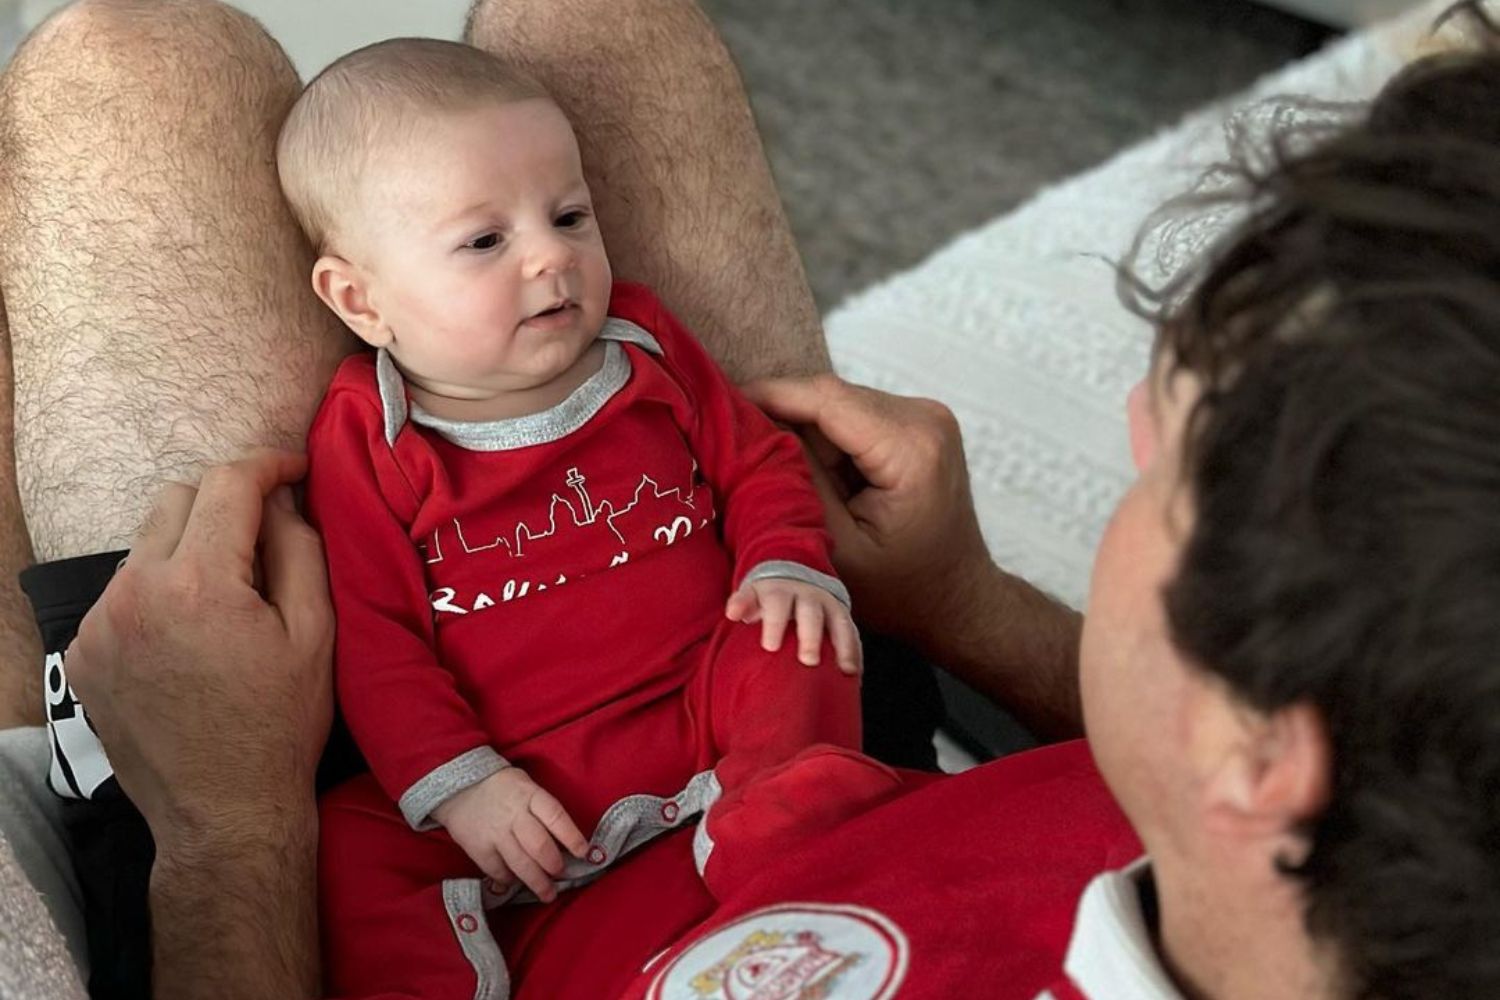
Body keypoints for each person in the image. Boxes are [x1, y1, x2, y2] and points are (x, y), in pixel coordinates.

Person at [2, 1, 1496, 999]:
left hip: (353, 847)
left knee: (119, 65)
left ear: (1267, 749)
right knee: (590, 20)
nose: (1124, 425)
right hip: (828, 729)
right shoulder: (1392, 840)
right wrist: (963, 603)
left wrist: (226, 838)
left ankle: (40, 743)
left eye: (1174, 472)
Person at [274, 35, 901, 996]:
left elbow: (759, 462)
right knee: (348, 850)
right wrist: (464, 780)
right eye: (486, 241)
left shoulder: (644, 344)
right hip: (515, 772)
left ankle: (778, 841)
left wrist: (784, 562)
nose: (552, 258)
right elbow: (374, 634)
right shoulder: (372, 436)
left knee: (804, 638)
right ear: (360, 299)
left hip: (703, 699)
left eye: (570, 216)